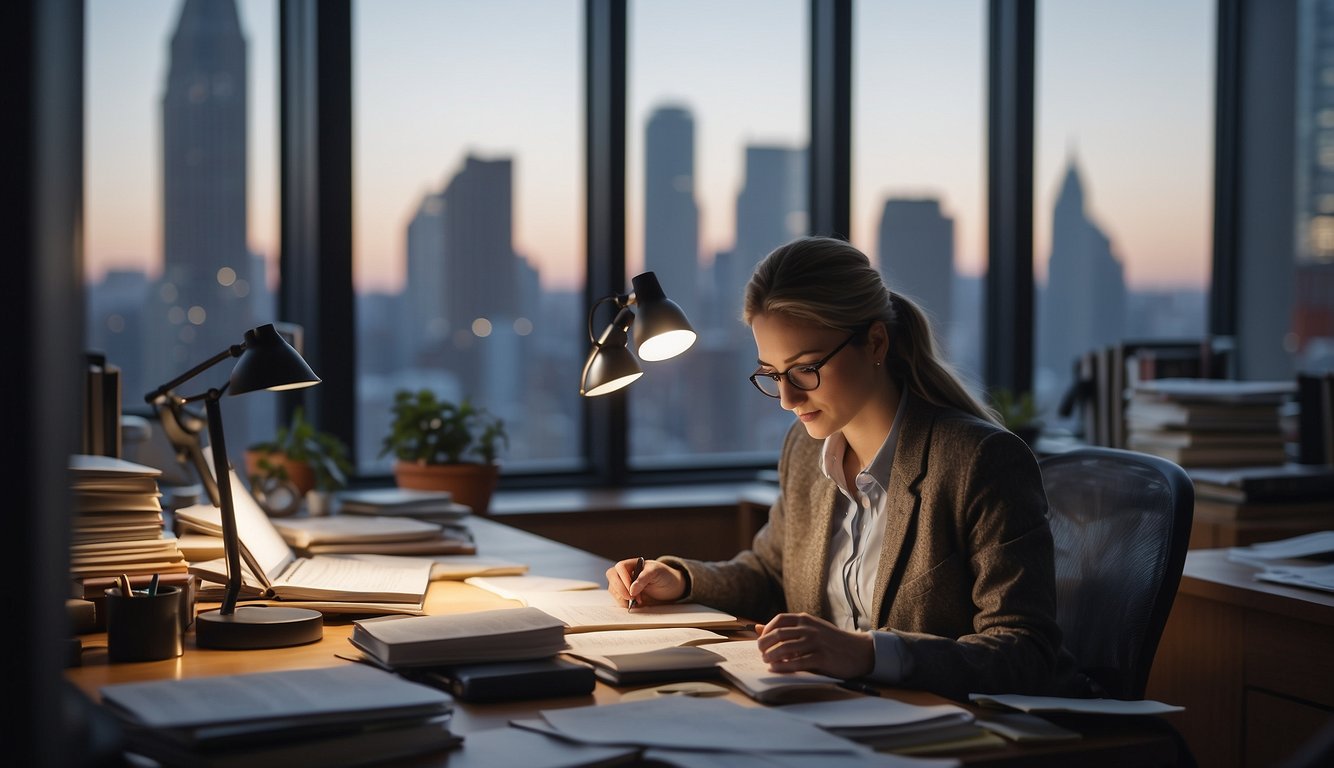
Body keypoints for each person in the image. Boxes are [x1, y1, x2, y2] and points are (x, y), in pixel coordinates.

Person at [606, 235, 1090, 700]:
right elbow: (772, 575)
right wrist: (680, 579)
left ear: (876, 343)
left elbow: (1025, 652)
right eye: (773, 375)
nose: (789, 399)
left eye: (806, 368)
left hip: (965, 730)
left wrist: (866, 654)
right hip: (838, 712)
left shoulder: (978, 461)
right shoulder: (804, 449)